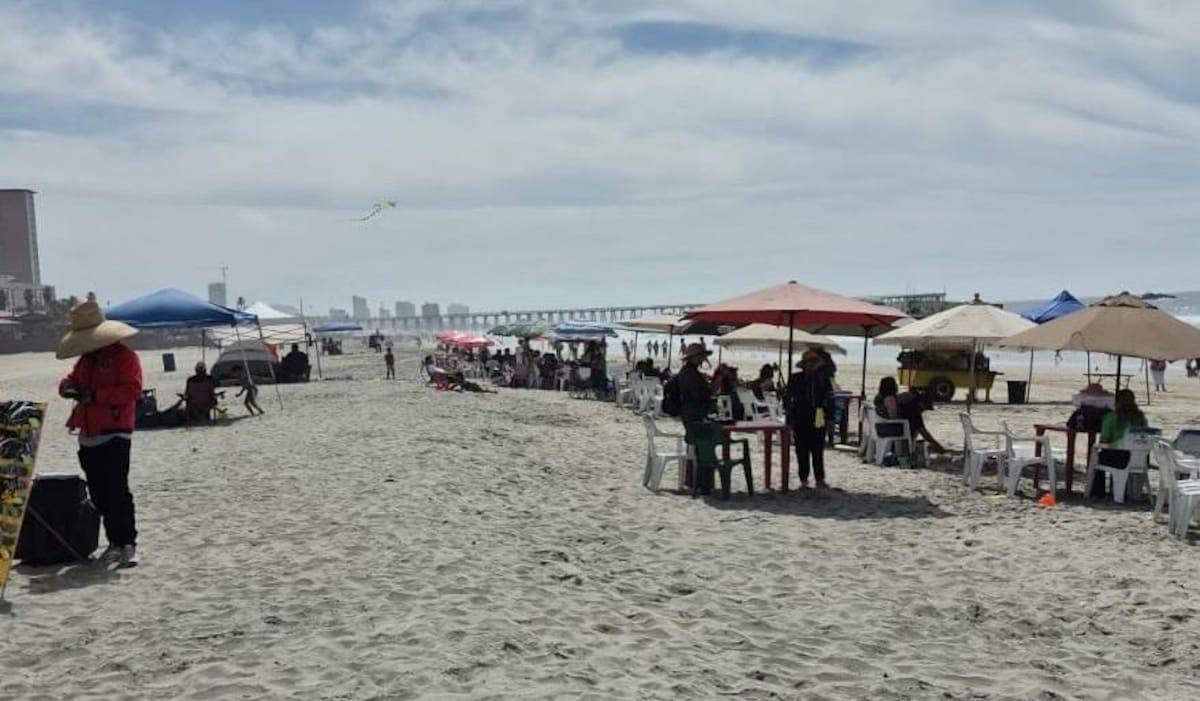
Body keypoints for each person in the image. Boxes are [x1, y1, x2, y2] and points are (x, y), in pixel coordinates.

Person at [57, 300, 143, 567]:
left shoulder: (125, 357)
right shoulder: (85, 361)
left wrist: (95, 395)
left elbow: (132, 391)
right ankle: (114, 543)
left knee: (117, 490)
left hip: (115, 433)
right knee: (98, 494)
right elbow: (67, 382)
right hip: (89, 434)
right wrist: (69, 387)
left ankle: (128, 543)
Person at [785, 350, 833, 488]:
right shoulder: (795, 378)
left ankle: (819, 478)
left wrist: (830, 417)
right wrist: (789, 418)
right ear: (804, 364)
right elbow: (788, 399)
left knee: (818, 449)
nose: (811, 365)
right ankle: (804, 480)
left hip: (818, 416)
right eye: (809, 363)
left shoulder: (823, 379)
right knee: (802, 450)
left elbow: (829, 398)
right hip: (800, 417)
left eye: (814, 363)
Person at [1093, 389, 1149, 498]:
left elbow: (1104, 440)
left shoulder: (1112, 417)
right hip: (1140, 459)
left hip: (1119, 459)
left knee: (1097, 456)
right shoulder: (1140, 417)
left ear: (1116, 402)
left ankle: (1098, 492)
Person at [895, 388, 945, 453]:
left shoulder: (913, 402)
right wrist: (938, 446)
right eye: (925, 408)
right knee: (914, 429)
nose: (924, 410)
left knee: (914, 428)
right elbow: (923, 432)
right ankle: (908, 450)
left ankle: (910, 447)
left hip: (899, 422)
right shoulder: (914, 409)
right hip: (898, 426)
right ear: (921, 404)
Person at [676, 343, 714, 424]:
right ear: (694, 357)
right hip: (694, 413)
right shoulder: (690, 373)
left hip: (690, 412)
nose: (703, 358)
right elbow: (697, 394)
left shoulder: (689, 371)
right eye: (701, 356)